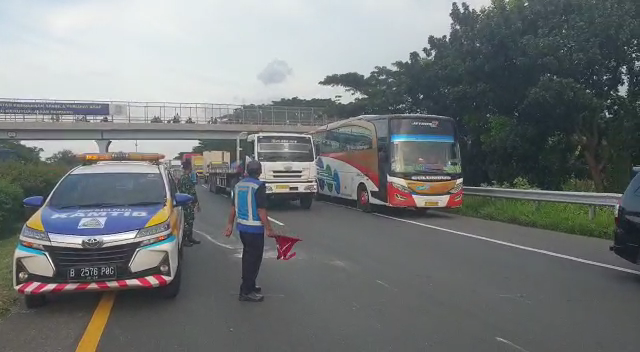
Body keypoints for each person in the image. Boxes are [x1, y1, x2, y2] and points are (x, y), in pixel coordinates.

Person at [224, 160, 275, 302]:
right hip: (254, 230)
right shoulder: (259, 186)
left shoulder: (238, 185)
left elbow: (233, 208)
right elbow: (261, 210)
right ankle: (246, 291)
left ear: (247, 171)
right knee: (253, 260)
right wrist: (269, 228)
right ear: (259, 171)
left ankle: (250, 285)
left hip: (242, 228)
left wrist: (229, 224)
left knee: (248, 257)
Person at [177, 159, 201, 246]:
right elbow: (192, 192)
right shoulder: (186, 178)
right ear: (189, 167)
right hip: (187, 203)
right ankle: (184, 240)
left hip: (186, 202)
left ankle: (189, 237)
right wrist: (196, 203)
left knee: (190, 220)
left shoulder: (183, 178)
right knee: (187, 221)